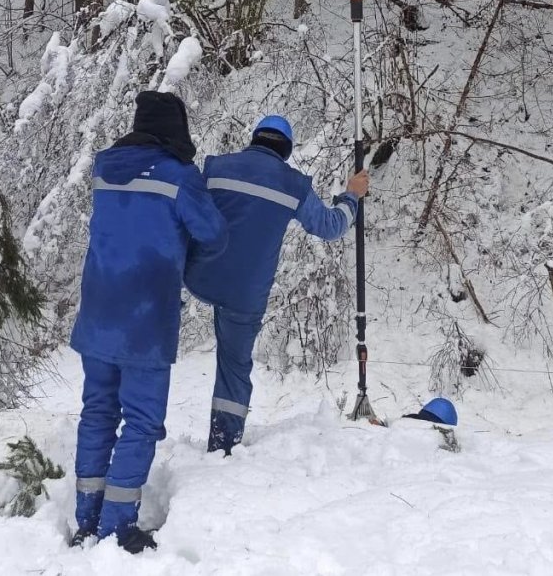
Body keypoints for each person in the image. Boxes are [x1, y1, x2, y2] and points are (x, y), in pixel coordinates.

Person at [69, 91, 227, 552]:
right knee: (140, 422)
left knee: (98, 412)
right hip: (145, 321)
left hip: (97, 314)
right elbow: (214, 235)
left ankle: (87, 517)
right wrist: (184, 255)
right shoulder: (180, 177)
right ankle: (117, 526)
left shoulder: (104, 168)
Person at [184, 115, 370, 454]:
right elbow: (329, 226)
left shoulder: (216, 166)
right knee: (234, 367)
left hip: (199, 276)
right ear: (286, 150)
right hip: (244, 293)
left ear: (254, 139)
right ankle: (223, 446)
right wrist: (351, 197)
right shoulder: (293, 184)